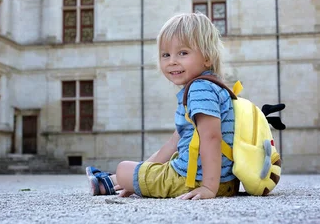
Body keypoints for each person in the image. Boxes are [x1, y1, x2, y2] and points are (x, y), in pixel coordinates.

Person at [86, 12, 239, 200]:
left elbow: (212, 137)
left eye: (183, 53)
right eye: (165, 54)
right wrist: (139, 177)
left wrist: (209, 187)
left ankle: (109, 182)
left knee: (123, 168)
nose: (172, 61)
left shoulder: (200, 89)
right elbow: (173, 144)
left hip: (195, 180)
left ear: (207, 57)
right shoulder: (212, 86)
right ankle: (116, 181)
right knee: (133, 172)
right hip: (226, 181)